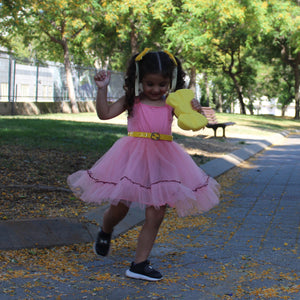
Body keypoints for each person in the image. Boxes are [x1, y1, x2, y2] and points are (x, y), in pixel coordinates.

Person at [67, 48, 220, 282]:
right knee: (120, 207)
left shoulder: (172, 103)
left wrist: (195, 110)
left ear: (171, 82)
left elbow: (191, 122)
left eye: (163, 84)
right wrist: (102, 89)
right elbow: (104, 114)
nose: (156, 89)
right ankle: (106, 230)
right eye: (150, 83)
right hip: (133, 158)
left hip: (163, 159)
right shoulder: (133, 101)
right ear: (139, 79)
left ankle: (139, 264)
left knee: (157, 212)